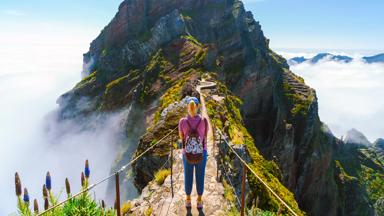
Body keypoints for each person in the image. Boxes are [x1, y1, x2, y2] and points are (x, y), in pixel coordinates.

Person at [178, 96, 208, 209]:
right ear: (198, 107)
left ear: (187, 107)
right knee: (200, 176)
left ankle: (188, 199)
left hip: (187, 154)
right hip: (202, 153)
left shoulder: (182, 122)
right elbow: (204, 136)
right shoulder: (204, 121)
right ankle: (199, 200)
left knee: (188, 176)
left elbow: (181, 137)